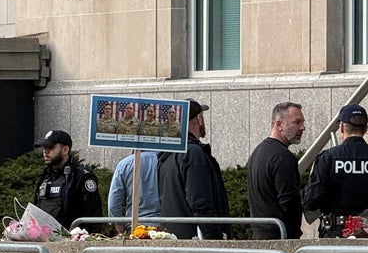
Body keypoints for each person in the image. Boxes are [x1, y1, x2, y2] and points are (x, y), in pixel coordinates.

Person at [302, 103, 368, 237]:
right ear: (366, 128)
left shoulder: (327, 159)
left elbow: (311, 200)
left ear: (341, 127)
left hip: (335, 232)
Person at [157, 99, 231, 240]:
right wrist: (215, 238)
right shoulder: (193, 153)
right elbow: (200, 202)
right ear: (199, 119)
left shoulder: (166, 155)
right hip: (196, 242)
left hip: (176, 238)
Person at [246, 102, 306, 239]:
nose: (302, 128)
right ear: (279, 125)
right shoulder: (283, 158)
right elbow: (290, 203)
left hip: (260, 235)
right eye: (297, 122)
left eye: (302, 122)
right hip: (280, 238)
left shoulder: (258, 152)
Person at [33, 129, 102, 230]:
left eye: (51, 147)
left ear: (65, 150)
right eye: (44, 147)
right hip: (44, 238)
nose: (45, 152)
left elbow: (94, 217)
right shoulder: (45, 176)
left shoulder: (81, 176)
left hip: (73, 241)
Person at [107, 150, 160, 235]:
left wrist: (119, 225)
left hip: (134, 226)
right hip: (163, 225)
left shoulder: (124, 164)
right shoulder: (166, 161)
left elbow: (114, 201)